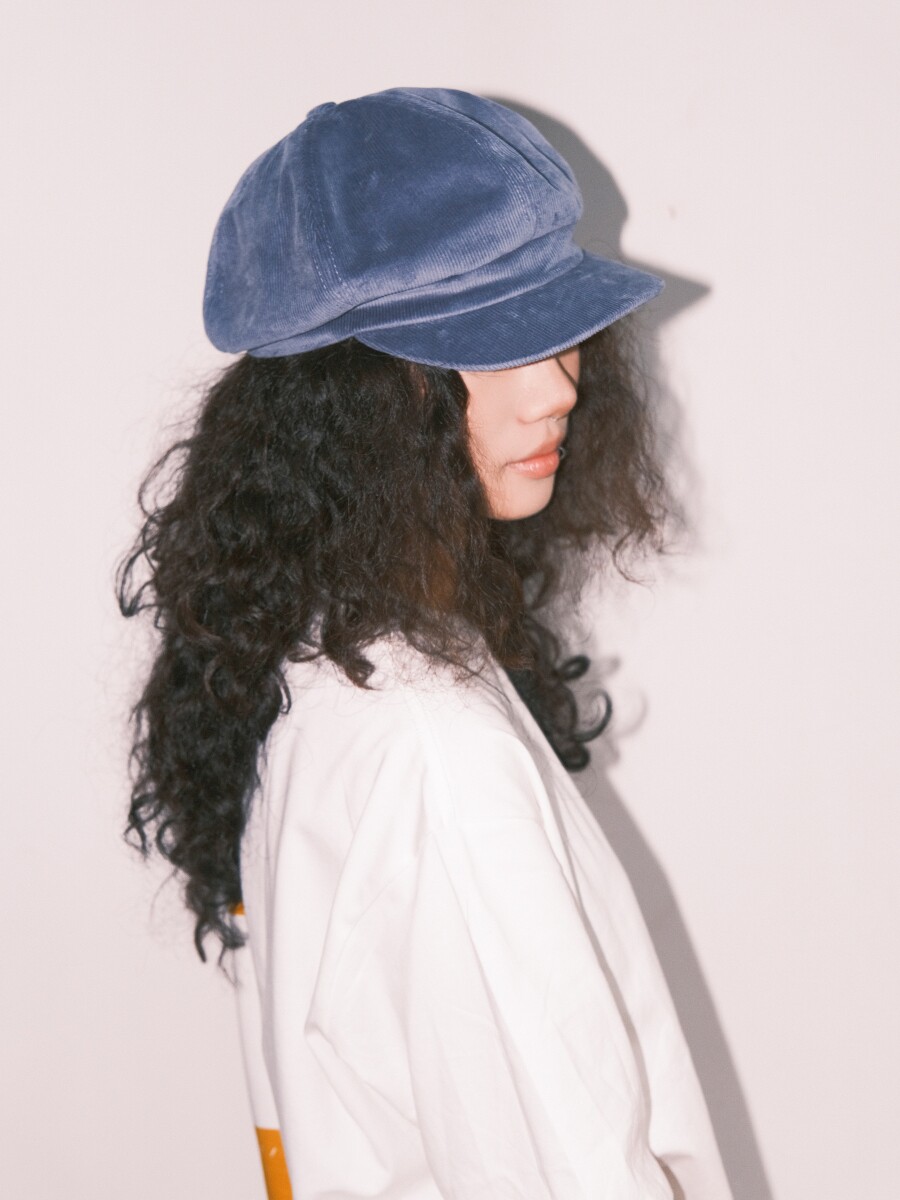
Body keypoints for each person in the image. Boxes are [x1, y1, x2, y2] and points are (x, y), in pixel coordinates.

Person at [119, 89, 733, 1200]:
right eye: (491, 347)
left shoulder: (313, 656)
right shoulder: (434, 752)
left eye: (558, 329)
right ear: (352, 402)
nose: (559, 386)